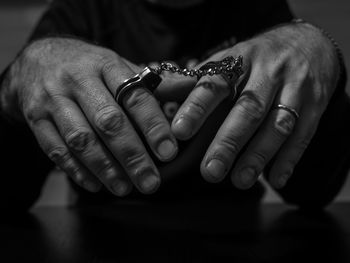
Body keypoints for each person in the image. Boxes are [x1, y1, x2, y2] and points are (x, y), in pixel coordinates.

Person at [0, 0, 349, 211]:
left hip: (234, 232)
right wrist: (15, 85)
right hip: (98, 230)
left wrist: (320, 55)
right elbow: (10, 194)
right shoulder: (82, 10)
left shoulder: (253, 8)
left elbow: (313, 190)